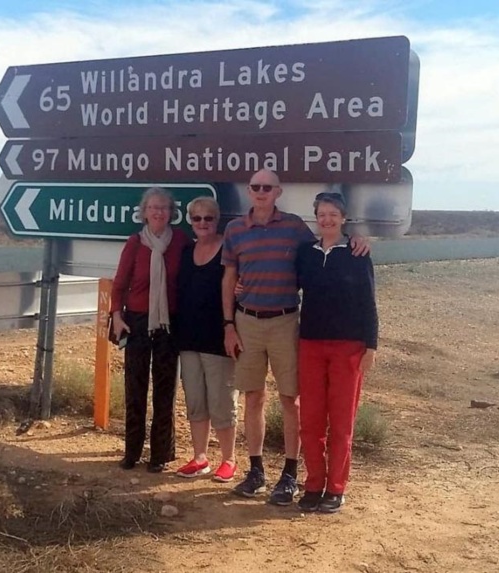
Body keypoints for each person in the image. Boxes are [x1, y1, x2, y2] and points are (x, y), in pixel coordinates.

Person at [221, 169, 368, 505]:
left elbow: (326, 242)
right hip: (247, 322)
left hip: (287, 322)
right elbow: (229, 278)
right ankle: (256, 470)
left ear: (278, 192)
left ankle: (289, 475)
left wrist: (357, 237)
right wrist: (228, 323)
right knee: (253, 397)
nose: (261, 192)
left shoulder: (293, 227)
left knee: (291, 400)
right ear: (249, 191)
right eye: (256, 187)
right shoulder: (234, 229)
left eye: (267, 187)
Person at [295, 192, 378, 514]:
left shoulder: (357, 253)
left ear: (343, 218)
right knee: (311, 421)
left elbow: (368, 302)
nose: (327, 219)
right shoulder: (306, 253)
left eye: (333, 214)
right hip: (311, 344)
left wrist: (371, 346)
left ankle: (336, 488)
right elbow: (286, 284)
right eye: (322, 214)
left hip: (349, 347)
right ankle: (314, 483)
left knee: (341, 423)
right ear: (316, 217)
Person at [111, 186, 190, 473]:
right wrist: (116, 317)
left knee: (165, 390)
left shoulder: (181, 241)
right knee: (135, 388)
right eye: (153, 207)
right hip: (137, 322)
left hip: (169, 323)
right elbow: (119, 285)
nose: (158, 212)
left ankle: (160, 454)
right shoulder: (135, 243)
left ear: (172, 213)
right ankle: (131, 451)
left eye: (164, 207)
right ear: (144, 212)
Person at [172, 197, 238, 483]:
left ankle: (229, 460)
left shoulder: (229, 250)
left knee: (222, 402)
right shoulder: (187, 250)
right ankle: (200, 457)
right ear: (190, 221)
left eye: (208, 218)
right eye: (196, 219)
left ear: (217, 220)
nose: (202, 224)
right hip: (188, 338)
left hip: (218, 339)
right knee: (196, 402)